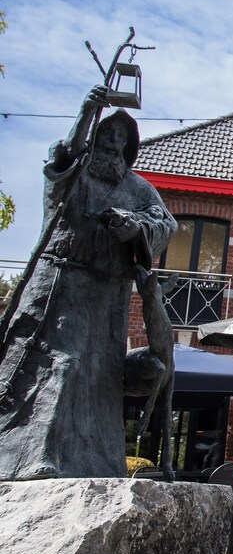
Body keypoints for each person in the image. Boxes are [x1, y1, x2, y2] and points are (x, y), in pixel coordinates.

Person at [0, 86, 176, 481]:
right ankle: (34, 456)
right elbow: (59, 161)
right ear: (93, 138)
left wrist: (133, 227)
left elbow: (166, 224)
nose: (111, 150)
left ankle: (97, 461)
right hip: (59, 282)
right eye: (106, 140)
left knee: (100, 376)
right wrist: (86, 111)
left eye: (120, 146)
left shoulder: (137, 189)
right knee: (61, 364)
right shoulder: (74, 169)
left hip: (107, 295)